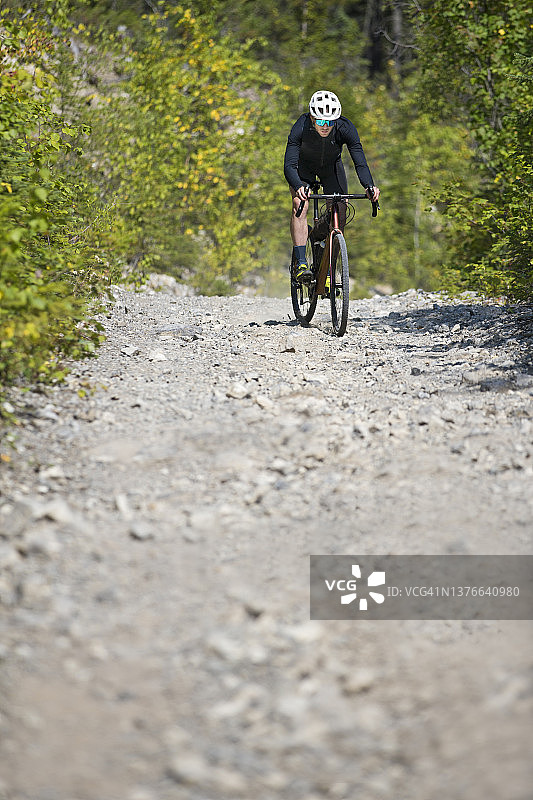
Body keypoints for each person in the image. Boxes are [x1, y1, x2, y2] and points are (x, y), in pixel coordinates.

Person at [284, 89, 380, 283]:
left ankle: (328, 268)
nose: (325, 126)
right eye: (320, 121)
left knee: (340, 212)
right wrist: (298, 186)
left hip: (331, 169)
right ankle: (301, 264)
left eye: (330, 121)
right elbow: (289, 165)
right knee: (299, 205)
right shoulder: (300, 126)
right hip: (304, 170)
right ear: (312, 118)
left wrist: (369, 186)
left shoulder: (345, 127)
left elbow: (360, 162)